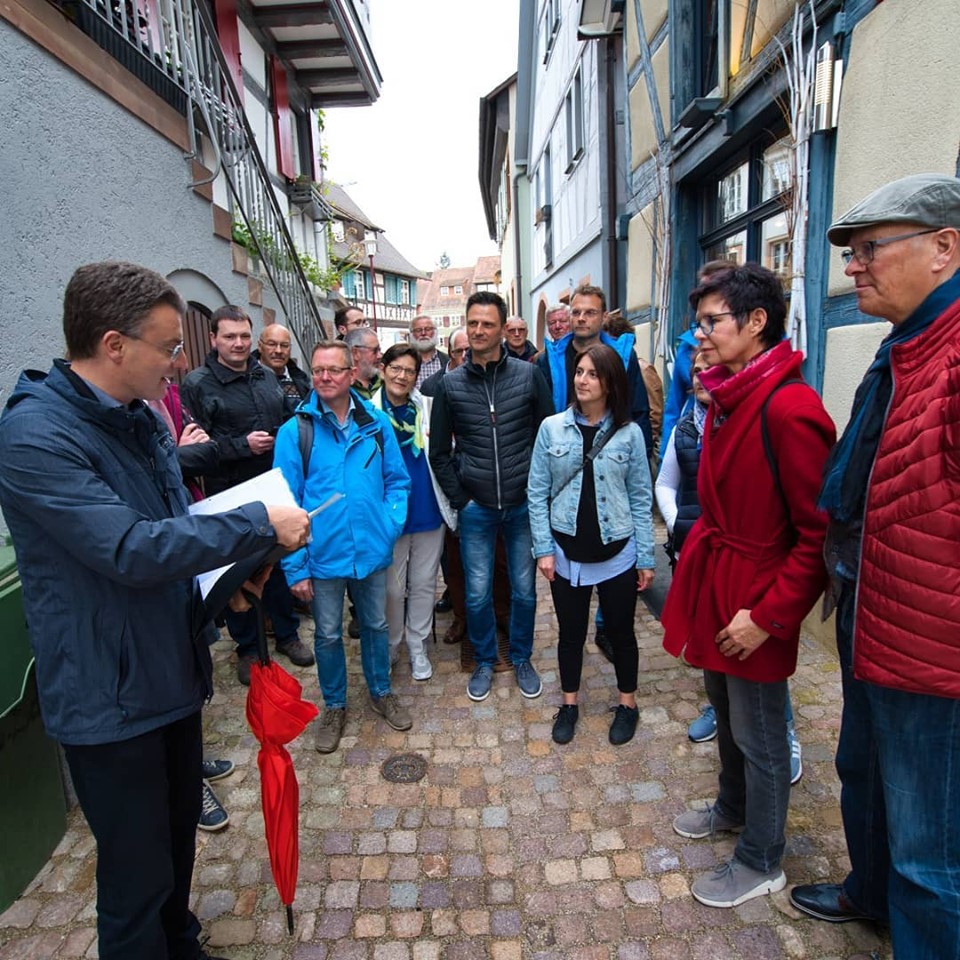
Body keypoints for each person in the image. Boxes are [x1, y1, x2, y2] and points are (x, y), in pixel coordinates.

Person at [0, 261, 310, 960]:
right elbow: (130, 548)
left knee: (174, 849)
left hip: (168, 668)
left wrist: (221, 587)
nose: (178, 365)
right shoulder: (34, 437)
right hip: (108, 696)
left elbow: (173, 527)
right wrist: (259, 522)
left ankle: (183, 942)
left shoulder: (139, 417)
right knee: (134, 880)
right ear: (115, 346)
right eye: (169, 347)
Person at [789, 173, 960, 954]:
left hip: (934, 652)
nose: (852, 268)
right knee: (863, 774)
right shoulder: (906, 348)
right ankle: (870, 895)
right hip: (873, 614)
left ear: (943, 248)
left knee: (932, 853)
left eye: (867, 251)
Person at [661, 262, 835, 909]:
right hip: (719, 583)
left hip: (756, 598)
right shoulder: (730, 397)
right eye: (697, 321)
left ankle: (763, 859)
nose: (699, 335)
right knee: (726, 713)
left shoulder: (791, 408)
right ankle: (731, 809)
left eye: (713, 321)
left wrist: (766, 616)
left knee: (761, 735)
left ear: (757, 323)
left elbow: (818, 535)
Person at [274, 339, 413, 754]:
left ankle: (381, 692)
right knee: (329, 634)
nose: (324, 378)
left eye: (334, 370)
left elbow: (398, 482)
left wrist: (389, 525)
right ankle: (334, 705)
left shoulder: (375, 423)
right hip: (323, 555)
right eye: (318, 370)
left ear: (352, 374)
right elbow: (284, 504)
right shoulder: (295, 431)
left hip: (372, 549)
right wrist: (295, 568)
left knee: (375, 625)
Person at [429, 291, 554, 702]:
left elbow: (546, 435)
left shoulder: (527, 374)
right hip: (477, 507)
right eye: (472, 323)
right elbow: (439, 453)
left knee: (523, 589)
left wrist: (536, 490)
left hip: (521, 505)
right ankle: (485, 659)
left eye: (487, 324)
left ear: (503, 329)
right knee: (478, 591)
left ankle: (520, 657)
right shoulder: (450, 384)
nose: (478, 330)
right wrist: (461, 499)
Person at [528, 343, 655, 746]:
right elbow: (537, 492)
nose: (583, 380)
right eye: (580, 372)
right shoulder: (551, 428)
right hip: (566, 554)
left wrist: (646, 556)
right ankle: (569, 704)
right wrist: (544, 549)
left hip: (618, 551)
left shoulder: (630, 433)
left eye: (593, 374)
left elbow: (640, 496)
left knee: (621, 633)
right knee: (570, 634)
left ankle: (628, 703)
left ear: (610, 382)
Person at [181, 306, 314, 683]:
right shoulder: (198, 383)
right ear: (213, 339)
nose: (237, 343)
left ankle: (286, 635)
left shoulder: (264, 375)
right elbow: (194, 451)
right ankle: (249, 648)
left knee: (275, 561)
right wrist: (241, 445)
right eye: (229, 337)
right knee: (238, 570)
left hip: (272, 486)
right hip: (229, 491)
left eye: (243, 336)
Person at [370, 343, 455, 680]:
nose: (402, 376)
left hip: (426, 505)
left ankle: (418, 644)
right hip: (388, 512)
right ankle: (392, 643)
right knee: (392, 587)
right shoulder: (367, 411)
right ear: (383, 369)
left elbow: (447, 449)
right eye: (396, 368)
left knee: (423, 584)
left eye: (409, 371)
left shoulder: (428, 408)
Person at [253, 322, 311, 400]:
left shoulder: (301, 381)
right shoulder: (247, 378)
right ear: (260, 346)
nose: (278, 351)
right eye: (272, 344)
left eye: (284, 345)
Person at [409, 315, 448, 388]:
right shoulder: (405, 362)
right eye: (418, 330)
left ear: (435, 332)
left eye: (428, 329)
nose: (423, 333)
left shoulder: (448, 361)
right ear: (411, 334)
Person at [344, 326, 382, 399]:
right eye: (375, 350)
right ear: (355, 353)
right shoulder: (341, 387)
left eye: (379, 350)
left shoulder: (385, 381)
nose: (379, 356)